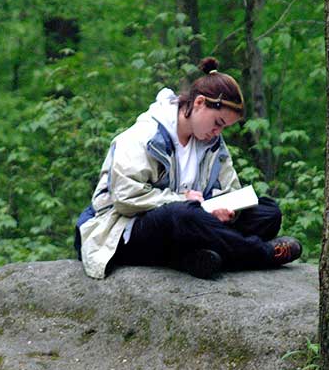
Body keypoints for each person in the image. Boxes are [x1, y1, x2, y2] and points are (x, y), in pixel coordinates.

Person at [75, 57, 302, 279]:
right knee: (182, 215)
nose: (217, 133)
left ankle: (194, 258)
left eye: (224, 128)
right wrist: (185, 201)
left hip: (189, 225)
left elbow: (228, 191)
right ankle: (261, 254)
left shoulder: (212, 144)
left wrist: (227, 211)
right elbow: (126, 199)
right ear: (199, 103)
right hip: (123, 230)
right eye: (217, 123)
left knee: (268, 213)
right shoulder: (143, 136)